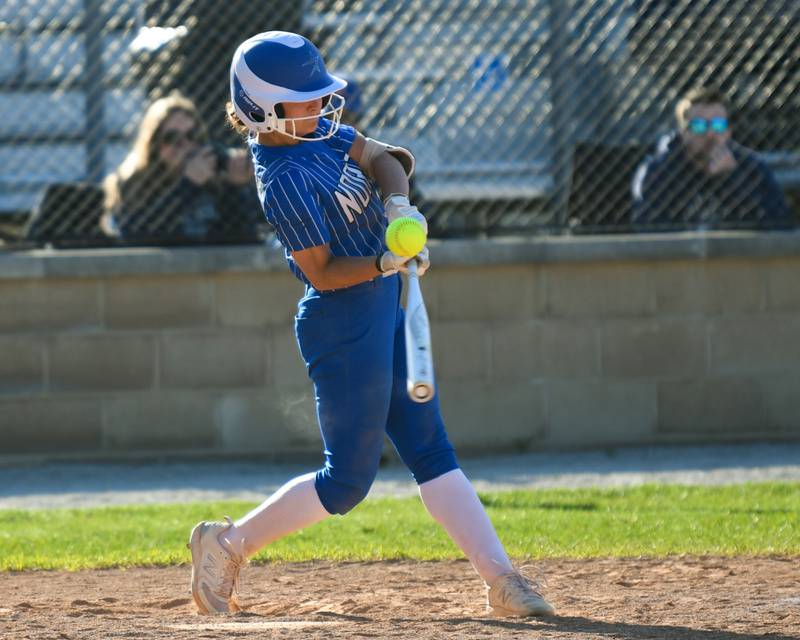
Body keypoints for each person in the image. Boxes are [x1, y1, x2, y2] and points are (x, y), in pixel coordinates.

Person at [186, 31, 555, 619]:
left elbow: (385, 158)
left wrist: (399, 208)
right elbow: (325, 272)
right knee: (347, 482)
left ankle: (502, 580)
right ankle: (227, 544)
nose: (321, 106)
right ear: (262, 110)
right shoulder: (281, 179)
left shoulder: (319, 131)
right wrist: (386, 260)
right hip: (341, 320)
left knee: (431, 447)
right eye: (303, 100)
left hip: (385, 300)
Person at [102, 94, 259, 242]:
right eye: (172, 138)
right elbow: (132, 235)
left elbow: (245, 238)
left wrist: (236, 187)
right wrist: (187, 185)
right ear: (154, 145)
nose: (185, 145)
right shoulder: (132, 182)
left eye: (191, 135)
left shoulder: (214, 177)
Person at [631, 87, 792, 230]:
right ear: (683, 132)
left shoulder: (752, 168)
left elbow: (778, 224)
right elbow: (646, 227)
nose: (710, 134)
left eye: (718, 125)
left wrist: (730, 177)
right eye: (699, 126)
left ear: (728, 131)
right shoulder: (658, 170)